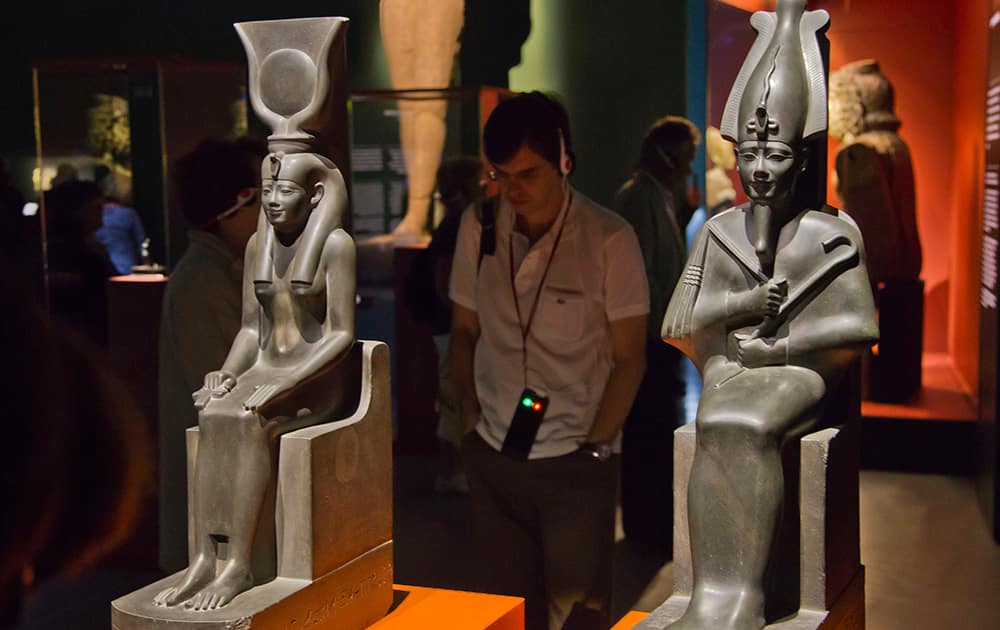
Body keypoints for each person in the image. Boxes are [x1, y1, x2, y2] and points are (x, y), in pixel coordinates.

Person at [661, 1, 878, 627]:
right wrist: (744, 307)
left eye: (776, 156)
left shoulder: (831, 234)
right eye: (749, 154)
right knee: (718, 418)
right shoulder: (720, 231)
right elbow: (679, 320)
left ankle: (745, 600)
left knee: (746, 421)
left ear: (802, 158)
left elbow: (859, 327)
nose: (758, 170)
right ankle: (711, 596)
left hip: (803, 370)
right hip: (734, 363)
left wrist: (778, 350)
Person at [449, 92, 649, 630]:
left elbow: (630, 358)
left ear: (564, 160)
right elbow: (464, 332)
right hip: (493, 451)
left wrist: (597, 449)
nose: (512, 191)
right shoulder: (480, 226)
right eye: (500, 175)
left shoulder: (610, 240)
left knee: (577, 614)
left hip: (575, 460)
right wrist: (468, 424)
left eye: (528, 175)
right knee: (505, 610)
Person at [154, 145, 356, 611]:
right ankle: (207, 559)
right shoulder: (254, 247)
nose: (274, 201)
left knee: (247, 420)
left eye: (285, 189)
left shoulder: (334, 246)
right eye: (267, 190)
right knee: (214, 414)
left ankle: (240, 564)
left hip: (315, 378)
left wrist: (287, 382)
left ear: (316, 194)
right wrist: (225, 373)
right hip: (266, 368)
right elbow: (251, 328)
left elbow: (340, 334)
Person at [157, 138, 265, 573]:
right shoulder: (201, 280)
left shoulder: (231, 269)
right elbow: (222, 389)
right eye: (264, 193)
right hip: (215, 478)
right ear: (235, 207)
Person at [612, 116, 699, 555]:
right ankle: (647, 526)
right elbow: (637, 276)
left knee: (657, 431)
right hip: (647, 341)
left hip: (658, 340)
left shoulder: (657, 197)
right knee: (647, 433)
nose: (689, 167)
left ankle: (654, 523)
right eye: (685, 158)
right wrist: (649, 337)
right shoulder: (639, 199)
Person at [425, 156, 485, 493]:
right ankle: (454, 471)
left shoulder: (453, 224)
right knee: (454, 398)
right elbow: (444, 282)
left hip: (448, 326)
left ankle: (451, 470)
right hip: (451, 328)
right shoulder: (457, 227)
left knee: (451, 397)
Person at [93, 165, 147, 275]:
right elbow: (141, 244)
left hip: (101, 270)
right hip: (127, 269)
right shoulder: (128, 214)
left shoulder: (97, 213)